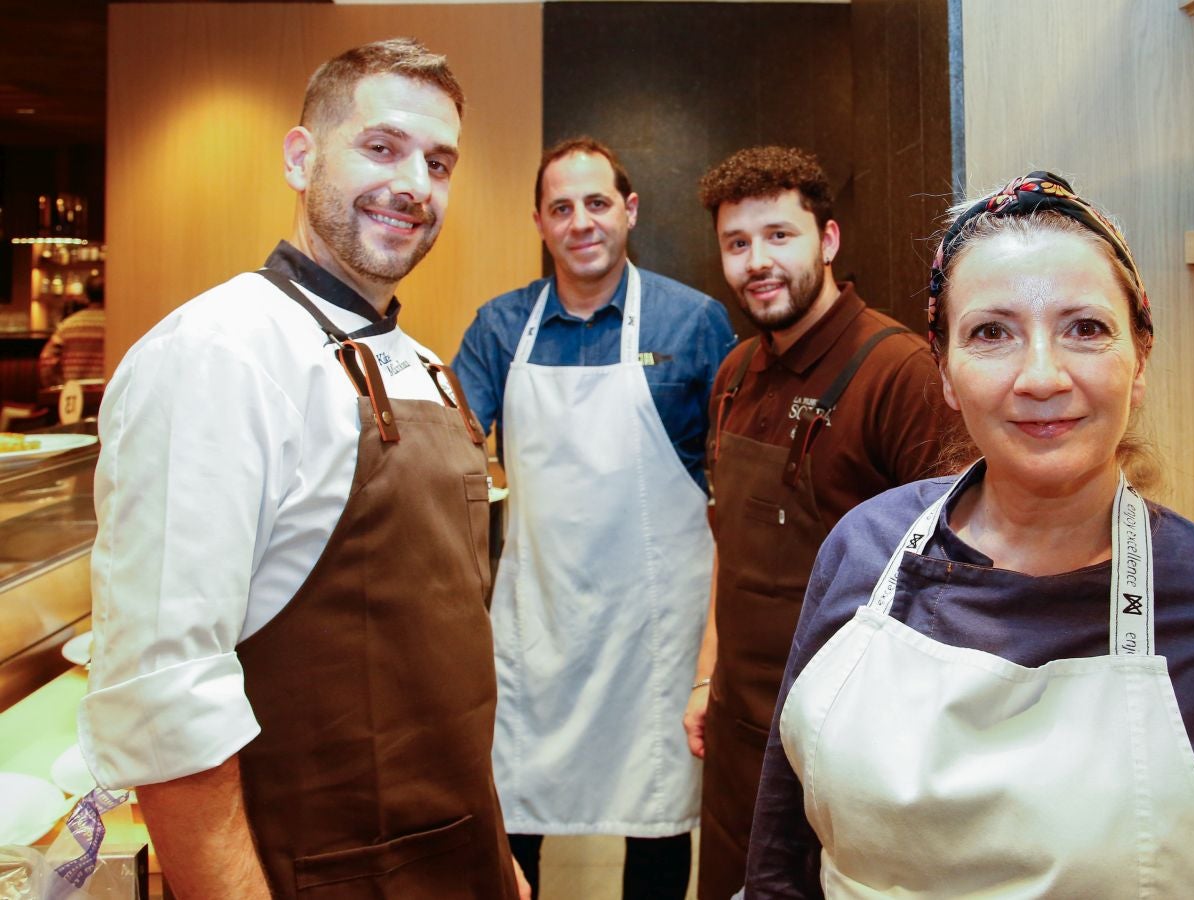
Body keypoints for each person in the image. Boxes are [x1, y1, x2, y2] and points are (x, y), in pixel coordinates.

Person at [743, 171, 1194, 898]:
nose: (1040, 375)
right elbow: (782, 854)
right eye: (991, 333)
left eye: (1086, 329)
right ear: (943, 370)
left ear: (1140, 363)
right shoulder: (862, 549)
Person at [78, 39, 525, 900]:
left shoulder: (426, 365)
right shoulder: (217, 354)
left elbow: (447, 666)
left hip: (457, 857)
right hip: (324, 873)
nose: (414, 185)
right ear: (300, 156)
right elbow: (167, 696)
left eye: (438, 162)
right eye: (382, 147)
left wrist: (494, 855)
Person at [452, 137, 736, 900]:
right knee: (514, 803)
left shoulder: (694, 323)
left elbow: (737, 474)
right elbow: (444, 452)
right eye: (561, 208)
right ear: (539, 223)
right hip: (538, 615)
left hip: (658, 625)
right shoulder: (500, 328)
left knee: (657, 816)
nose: (582, 222)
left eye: (598, 203)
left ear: (629, 211)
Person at [685, 146, 956, 900]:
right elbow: (727, 545)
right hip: (739, 733)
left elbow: (954, 583)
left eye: (779, 236)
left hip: (847, 743)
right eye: (738, 245)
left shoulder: (898, 374)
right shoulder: (735, 373)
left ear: (829, 240)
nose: (756, 262)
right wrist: (709, 675)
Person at [38, 278, 105, 387]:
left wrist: (57, 387)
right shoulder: (116, 327)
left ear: (86, 296)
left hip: (73, 395)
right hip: (107, 393)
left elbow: (47, 361)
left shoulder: (68, 326)